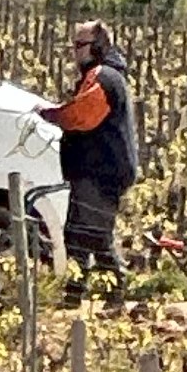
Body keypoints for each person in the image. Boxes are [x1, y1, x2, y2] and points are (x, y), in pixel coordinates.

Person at [56, 18, 135, 275]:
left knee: (89, 237)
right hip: (94, 170)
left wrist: (49, 115)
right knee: (85, 236)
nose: (75, 51)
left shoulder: (103, 77)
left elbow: (79, 116)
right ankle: (79, 293)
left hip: (100, 172)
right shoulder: (100, 75)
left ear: (98, 46)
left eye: (80, 45)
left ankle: (105, 291)